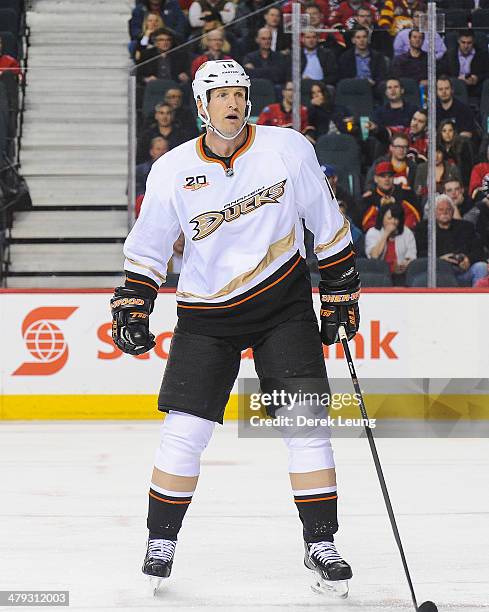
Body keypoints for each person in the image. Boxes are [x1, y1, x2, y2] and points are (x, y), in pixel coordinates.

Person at [111, 60, 360, 595]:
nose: (233, 103)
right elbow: (150, 245)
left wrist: (340, 288)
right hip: (207, 315)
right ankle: (161, 542)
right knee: (185, 432)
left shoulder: (287, 148)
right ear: (201, 107)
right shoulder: (172, 169)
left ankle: (322, 543)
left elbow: (327, 220)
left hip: (282, 305)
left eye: (239, 93)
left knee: (307, 426)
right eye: (220, 94)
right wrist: (135, 302)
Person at [415, 195, 487, 286]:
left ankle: (478, 299)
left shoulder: (466, 227)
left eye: (448, 209)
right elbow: (419, 254)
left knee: (481, 267)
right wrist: (440, 260)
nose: (444, 212)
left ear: (453, 211)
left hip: (462, 272)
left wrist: (468, 259)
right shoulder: (423, 228)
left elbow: (478, 250)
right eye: (440, 209)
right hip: (438, 274)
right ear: (433, 212)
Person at [361, 161, 420, 230]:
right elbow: (366, 224)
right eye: (383, 176)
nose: (387, 179)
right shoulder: (368, 200)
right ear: (375, 179)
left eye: (390, 176)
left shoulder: (406, 194)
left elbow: (415, 217)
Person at [365, 203, 417, 279]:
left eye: (396, 218)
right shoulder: (373, 232)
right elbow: (374, 256)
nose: (393, 222)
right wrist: (386, 234)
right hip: (378, 274)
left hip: (402, 275)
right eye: (389, 218)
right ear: (382, 218)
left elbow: (411, 256)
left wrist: (404, 265)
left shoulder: (407, 232)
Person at [437, 29, 489, 100]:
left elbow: (487, 73)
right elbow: (441, 73)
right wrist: (455, 80)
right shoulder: (449, 55)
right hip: (454, 87)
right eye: (463, 42)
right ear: (458, 41)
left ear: (473, 42)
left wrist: (477, 78)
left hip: (476, 87)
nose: (466, 46)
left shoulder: (483, 55)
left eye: (469, 43)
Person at [436, 119, 473, 187]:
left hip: (462, 182)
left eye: (450, 130)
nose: (447, 133)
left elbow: (467, 169)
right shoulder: (438, 147)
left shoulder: (463, 145)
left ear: (454, 132)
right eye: (444, 131)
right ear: (440, 133)